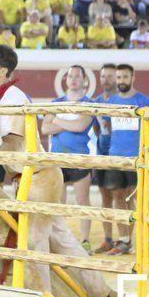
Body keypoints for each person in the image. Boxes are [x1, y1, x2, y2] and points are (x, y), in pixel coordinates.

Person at [0, 44, 120, 297]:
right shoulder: (1, 97)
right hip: (36, 176)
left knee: (33, 245)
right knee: (62, 241)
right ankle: (103, 295)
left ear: (3, 70)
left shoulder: (11, 97)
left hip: (37, 177)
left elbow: (9, 142)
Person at [105, 64, 149, 256]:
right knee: (119, 197)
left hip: (137, 158)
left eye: (125, 77)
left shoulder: (144, 101)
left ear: (133, 78)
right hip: (116, 157)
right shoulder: (111, 102)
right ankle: (124, 240)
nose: (121, 81)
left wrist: (142, 150)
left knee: (140, 198)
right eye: (118, 78)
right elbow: (110, 129)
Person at [41, 66, 94, 253]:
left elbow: (81, 126)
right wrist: (69, 125)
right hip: (57, 159)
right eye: (71, 76)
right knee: (58, 202)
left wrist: (57, 122)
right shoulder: (56, 102)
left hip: (79, 158)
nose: (73, 79)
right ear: (66, 79)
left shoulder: (88, 104)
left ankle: (85, 240)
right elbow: (44, 129)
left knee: (82, 200)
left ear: (84, 81)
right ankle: (60, 240)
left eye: (77, 76)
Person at [91, 63, 117, 253]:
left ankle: (127, 239)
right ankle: (108, 239)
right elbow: (97, 129)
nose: (105, 80)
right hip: (102, 156)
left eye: (109, 76)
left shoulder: (122, 99)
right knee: (105, 197)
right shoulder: (97, 102)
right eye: (103, 76)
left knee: (124, 197)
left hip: (119, 156)